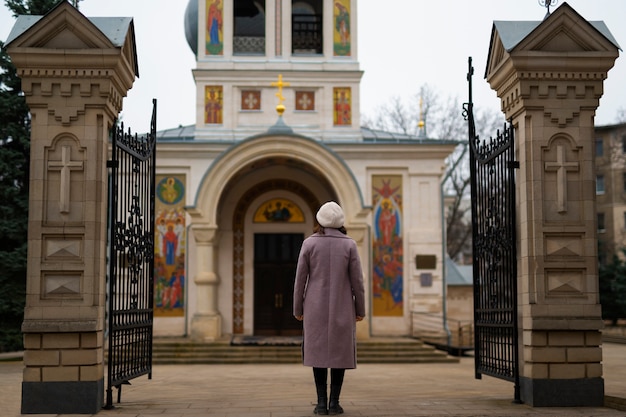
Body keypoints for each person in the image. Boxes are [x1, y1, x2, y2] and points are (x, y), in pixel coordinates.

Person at [293, 201, 366, 415]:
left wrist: (298, 309)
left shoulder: (309, 244)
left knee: (318, 355)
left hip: (314, 308)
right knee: (339, 354)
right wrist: (360, 310)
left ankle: (320, 403)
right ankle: (334, 403)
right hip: (342, 308)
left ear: (319, 220)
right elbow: (357, 282)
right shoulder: (349, 244)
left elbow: (300, 280)